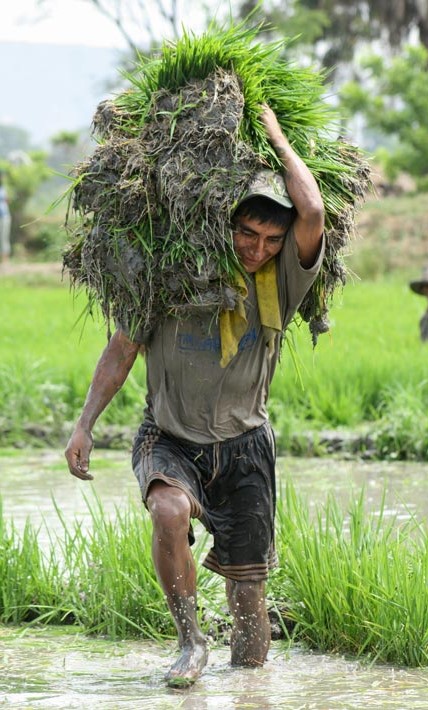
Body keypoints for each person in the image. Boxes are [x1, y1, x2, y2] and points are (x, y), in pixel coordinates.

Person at [65, 104, 325, 687]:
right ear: (223, 226)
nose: (256, 249)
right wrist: (85, 424)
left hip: (246, 448)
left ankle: (248, 684)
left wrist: (277, 137)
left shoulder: (282, 283)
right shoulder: (171, 274)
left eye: (270, 239)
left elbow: (312, 209)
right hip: (170, 436)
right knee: (167, 509)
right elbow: (123, 346)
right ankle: (189, 641)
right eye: (246, 233)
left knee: (251, 626)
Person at [0, 171, 11, 264]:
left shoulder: (3, 188)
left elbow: (7, 200)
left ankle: (5, 261)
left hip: (4, 216)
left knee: (4, 238)